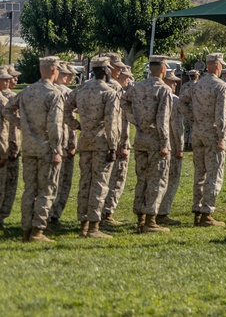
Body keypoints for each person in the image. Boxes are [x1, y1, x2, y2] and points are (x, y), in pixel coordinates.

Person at [2, 55, 64, 243]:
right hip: (46, 148)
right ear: (54, 70)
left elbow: (6, 110)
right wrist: (56, 149)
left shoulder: (27, 91)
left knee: (29, 189)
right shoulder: (53, 93)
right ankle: (38, 231)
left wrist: (23, 126)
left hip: (29, 147)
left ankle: (26, 230)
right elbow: (55, 125)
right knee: (46, 189)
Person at [65, 56, 120, 238]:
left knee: (85, 182)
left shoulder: (81, 89)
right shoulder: (109, 92)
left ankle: (83, 224)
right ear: (106, 71)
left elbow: (66, 109)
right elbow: (112, 123)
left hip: (85, 140)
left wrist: (77, 125)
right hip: (102, 142)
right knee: (99, 183)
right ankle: (94, 228)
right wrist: (113, 146)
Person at [180, 52, 226, 227]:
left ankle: (197, 209)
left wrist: (192, 118)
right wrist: (223, 136)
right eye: (221, 64)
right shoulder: (220, 86)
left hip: (197, 132)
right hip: (212, 133)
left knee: (199, 172)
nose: (222, 67)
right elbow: (221, 114)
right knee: (214, 173)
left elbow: (181, 102)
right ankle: (207, 213)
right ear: (216, 65)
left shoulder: (196, 85)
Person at [131, 55, 173, 234]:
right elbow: (163, 119)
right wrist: (165, 143)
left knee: (142, 178)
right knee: (156, 179)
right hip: (156, 140)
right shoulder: (164, 89)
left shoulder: (137, 87)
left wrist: (133, 119)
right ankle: (150, 221)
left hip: (140, 138)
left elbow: (124, 101)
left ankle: (140, 217)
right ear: (163, 69)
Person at [101, 57, 132, 226]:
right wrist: (124, 142)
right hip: (116, 139)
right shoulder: (115, 88)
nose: (121, 71)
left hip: (99, 139)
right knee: (117, 176)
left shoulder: (94, 85)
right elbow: (121, 119)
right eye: (117, 68)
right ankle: (106, 212)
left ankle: (98, 212)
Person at [49, 61, 78, 231]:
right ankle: (53, 215)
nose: (70, 77)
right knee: (62, 181)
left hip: (51, 142)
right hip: (64, 143)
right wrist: (72, 144)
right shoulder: (66, 93)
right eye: (66, 74)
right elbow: (68, 123)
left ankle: (48, 215)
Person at [156, 70, 185, 227]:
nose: (175, 84)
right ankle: (162, 212)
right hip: (171, 144)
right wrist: (180, 147)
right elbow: (177, 127)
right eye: (172, 81)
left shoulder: (152, 94)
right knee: (171, 178)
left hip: (153, 142)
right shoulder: (174, 100)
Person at [0, 66, 22, 230]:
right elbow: (7, 128)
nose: (10, 81)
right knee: (5, 185)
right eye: (5, 78)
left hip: (7, 147)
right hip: (5, 148)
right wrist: (10, 148)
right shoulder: (5, 99)